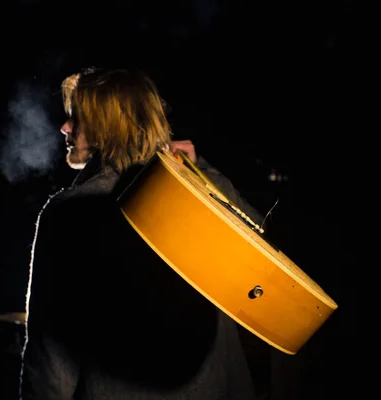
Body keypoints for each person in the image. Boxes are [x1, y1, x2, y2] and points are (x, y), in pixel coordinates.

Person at [19, 67, 270, 399]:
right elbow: (266, 278)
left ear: (105, 124)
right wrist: (203, 173)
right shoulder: (202, 192)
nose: (64, 127)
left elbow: (51, 355)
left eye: (75, 117)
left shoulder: (70, 213)